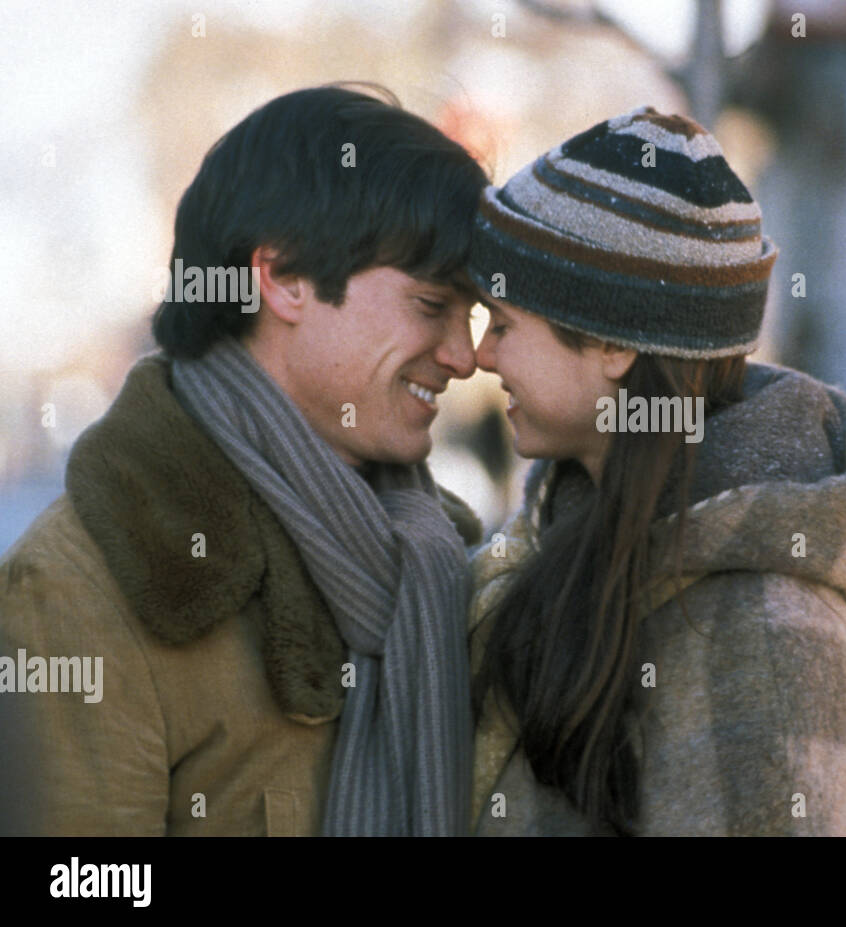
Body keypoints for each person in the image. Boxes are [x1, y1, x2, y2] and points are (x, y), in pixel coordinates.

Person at [0, 84, 487, 836]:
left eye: (472, 314)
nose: (462, 355)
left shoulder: (446, 561)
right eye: (431, 306)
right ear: (284, 278)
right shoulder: (85, 584)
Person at [463, 107, 846, 836]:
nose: (481, 357)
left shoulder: (760, 618)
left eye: (505, 324)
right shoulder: (572, 528)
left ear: (614, 345)